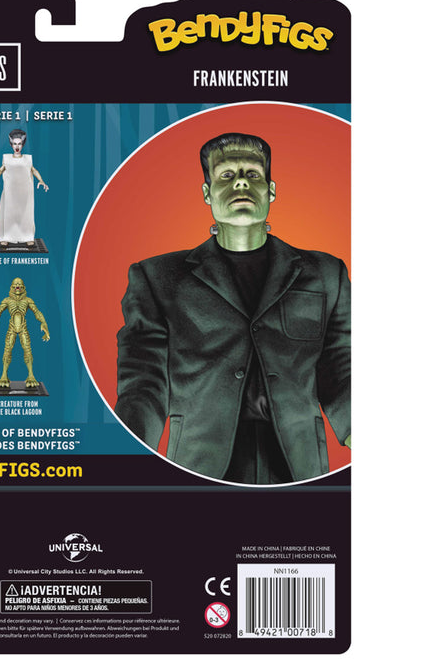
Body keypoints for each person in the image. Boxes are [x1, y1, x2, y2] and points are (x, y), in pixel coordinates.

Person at [115, 133, 350, 484]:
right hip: (200, 461)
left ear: (271, 190)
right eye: (226, 175)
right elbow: (144, 381)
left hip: (299, 462)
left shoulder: (326, 274)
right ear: (207, 193)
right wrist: (128, 453)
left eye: (253, 174)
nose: (241, 182)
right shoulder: (157, 277)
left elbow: (341, 367)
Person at [0, 129, 48, 247]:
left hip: (25, 192)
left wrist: (41, 180)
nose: (17, 146)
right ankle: (7, 237)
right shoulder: (7, 158)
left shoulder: (27, 159)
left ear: (23, 144)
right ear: (11, 144)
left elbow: (33, 170)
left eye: (19, 143)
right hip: (10, 192)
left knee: (26, 215)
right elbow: (0, 170)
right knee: (9, 214)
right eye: (15, 144)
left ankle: (28, 236)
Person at [0, 277, 50, 388]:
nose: (17, 287)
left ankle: (31, 375)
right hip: (11, 327)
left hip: (23, 327)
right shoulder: (7, 300)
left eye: (20, 285)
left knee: (27, 349)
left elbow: (37, 312)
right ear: (11, 287)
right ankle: (4, 375)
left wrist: (44, 323)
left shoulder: (28, 300)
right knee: (7, 350)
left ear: (23, 287)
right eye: (15, 285)